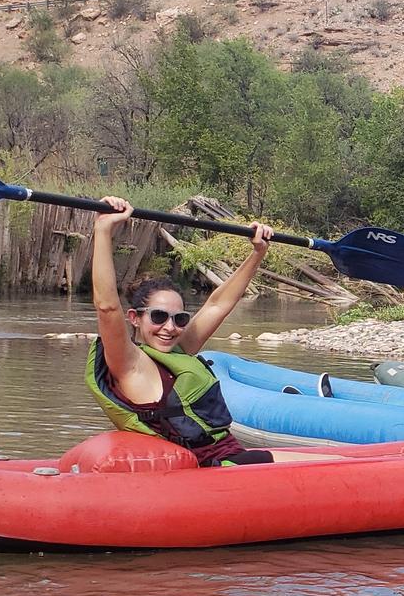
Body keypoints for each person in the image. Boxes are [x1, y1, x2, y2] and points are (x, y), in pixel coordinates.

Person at [83, 197, 338, 465]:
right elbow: (107, 306)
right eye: (159, 317)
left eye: (179, 319)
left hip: (232, 455)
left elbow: (218, 304)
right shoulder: (129, 364)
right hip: (214, 471)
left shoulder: (176, 351)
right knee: (337, 467)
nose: (170, 328)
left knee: (341, 461)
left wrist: (258, 253)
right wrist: (103, 230)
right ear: (134, 318)